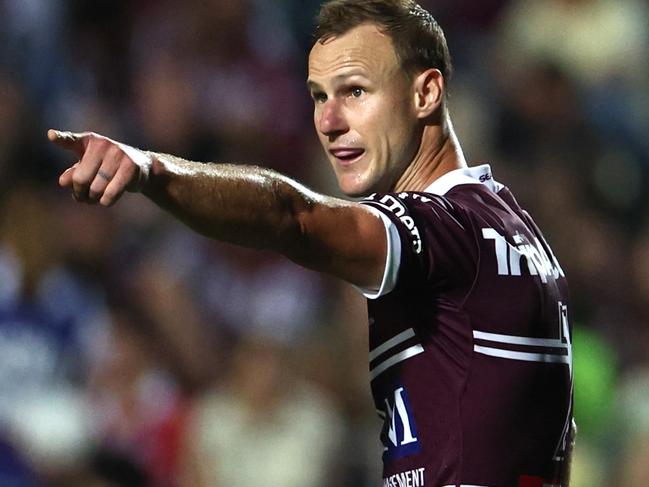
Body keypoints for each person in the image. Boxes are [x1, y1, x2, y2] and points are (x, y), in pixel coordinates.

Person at [48, 0, 575, 485]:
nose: (327, 121)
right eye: (319, 96)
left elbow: (293, 216)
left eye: (355, 91)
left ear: (425, 92)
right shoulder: (519, 236)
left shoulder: (447, 226)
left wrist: (151, 171)